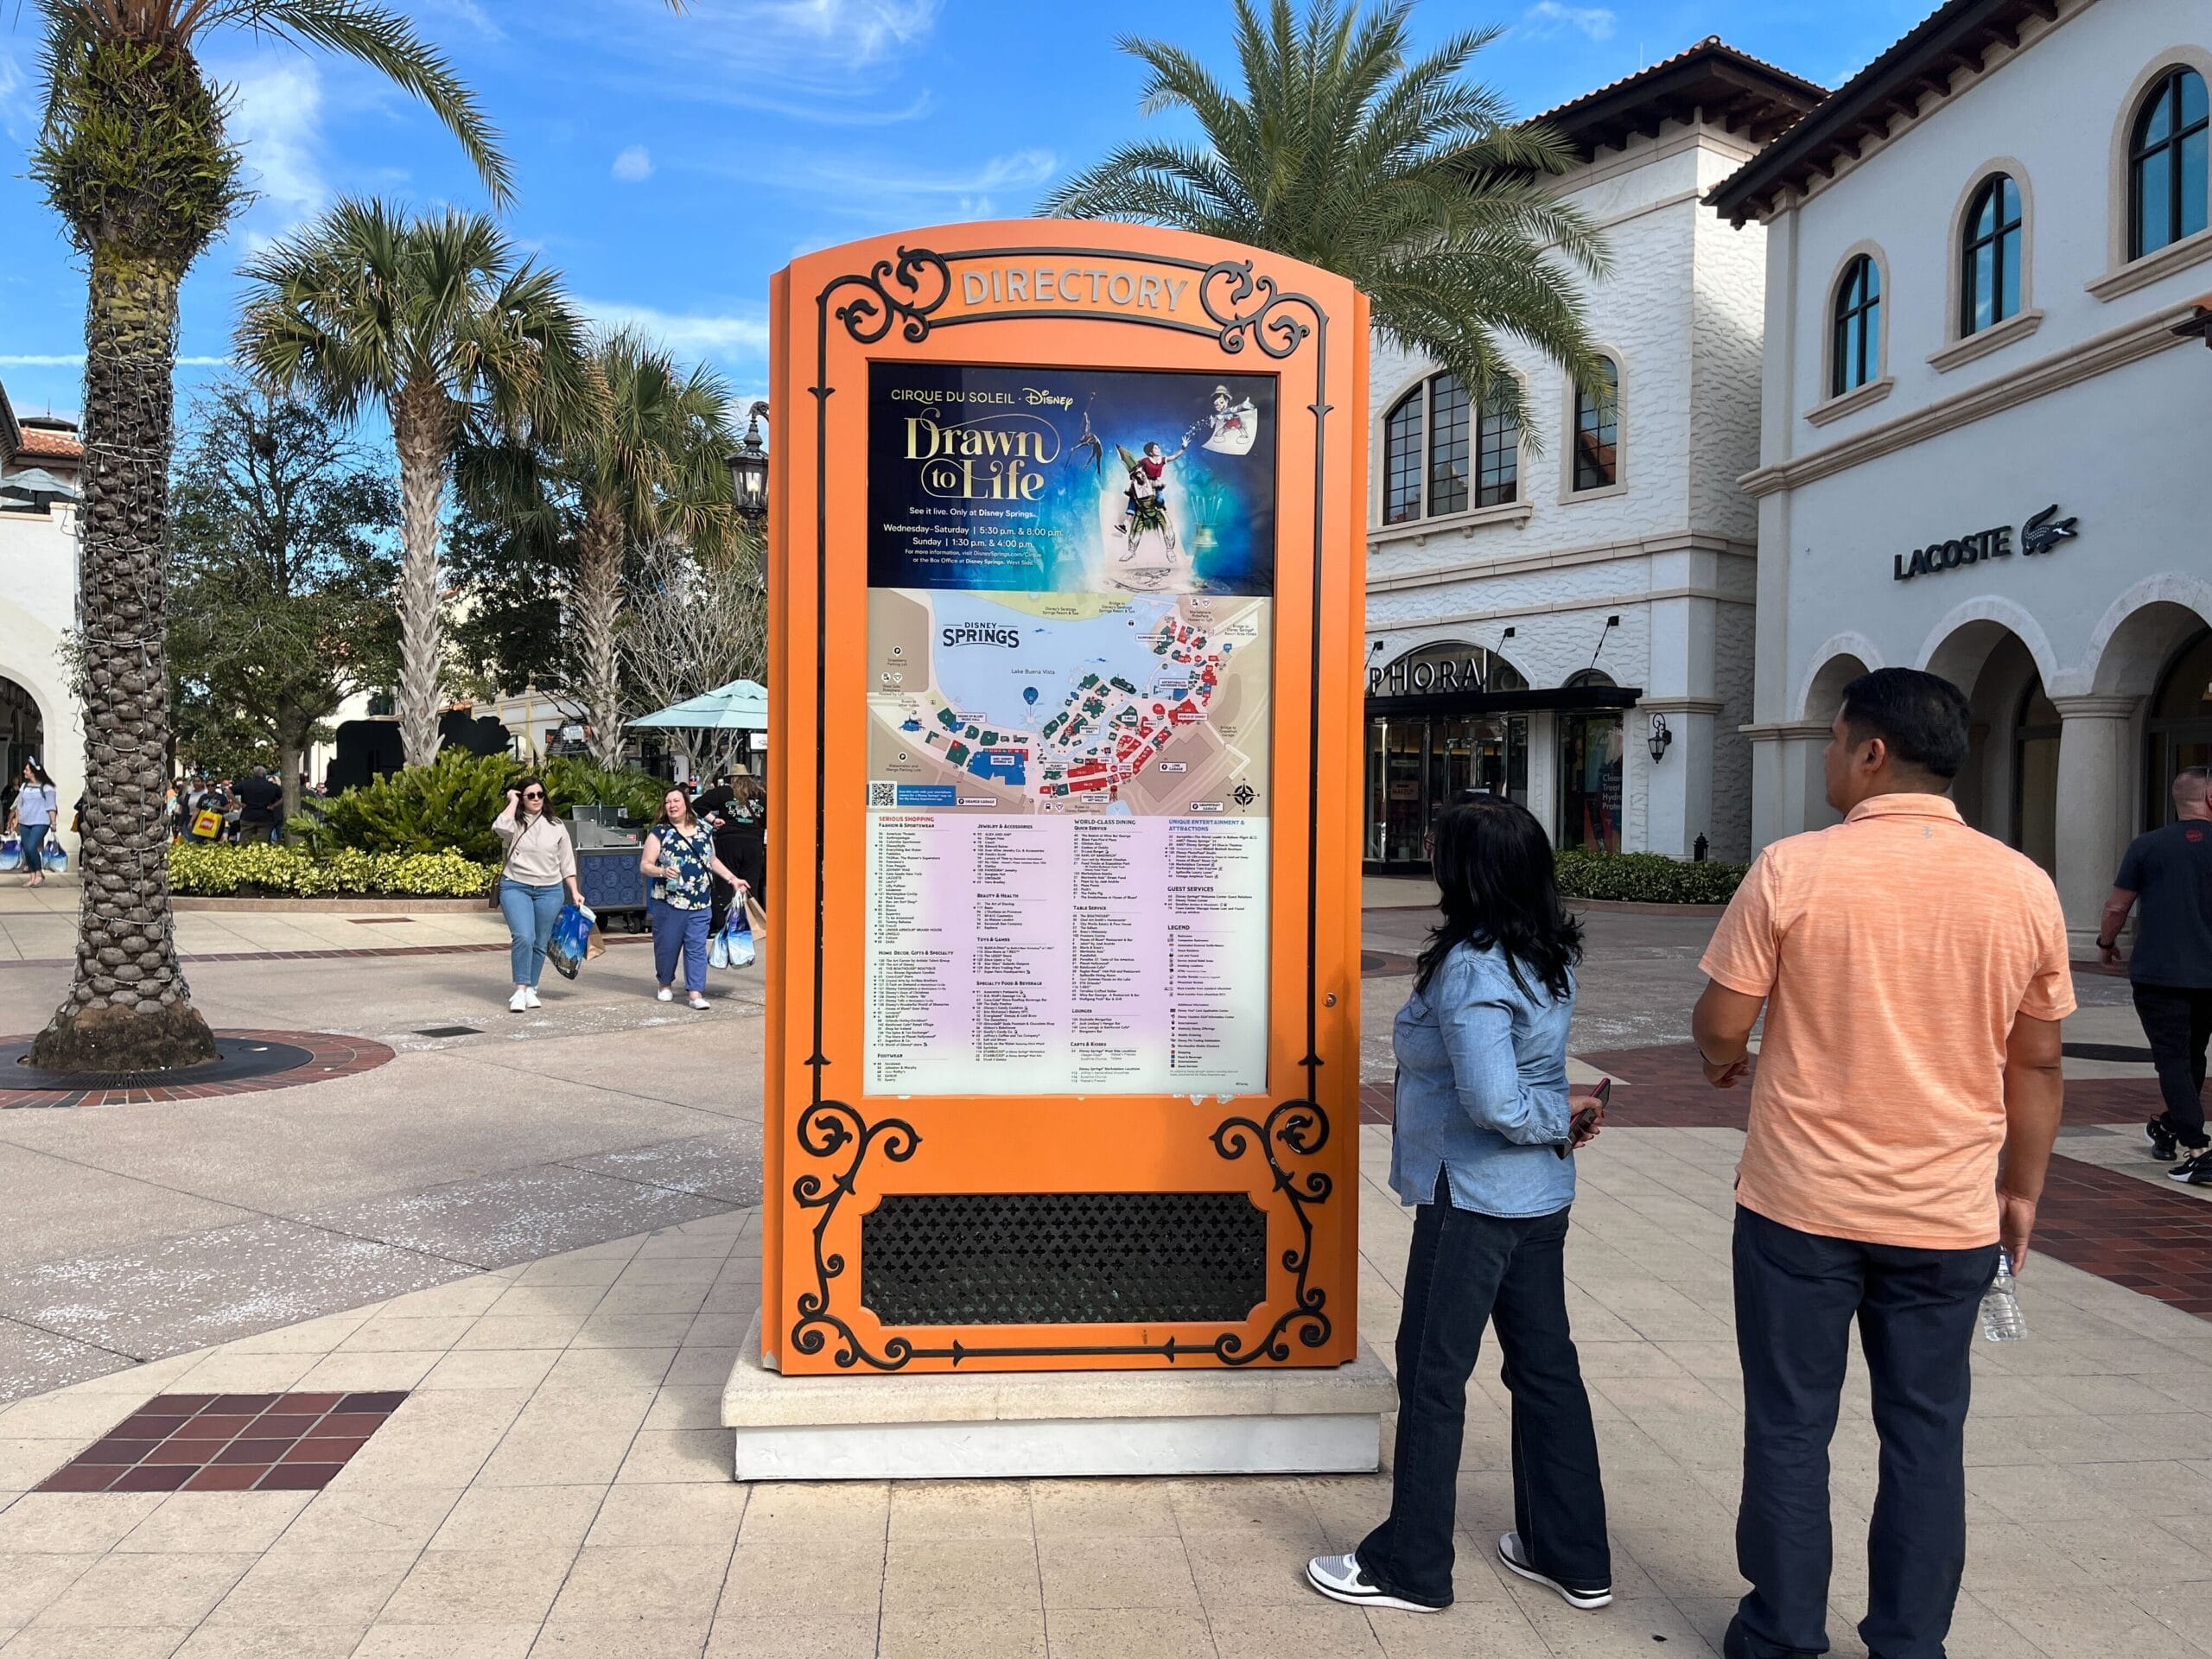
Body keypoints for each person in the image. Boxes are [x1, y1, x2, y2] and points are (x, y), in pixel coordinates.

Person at [1690, 667, 2070, 1659]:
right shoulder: (2023, 885)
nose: (1824, 756)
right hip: (1946, 1217)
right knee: (1924, 1436)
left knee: (1788, 1428)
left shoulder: (1792, 869)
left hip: (1798, 1204)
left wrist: (1726, 1062)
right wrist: (2020, 1192)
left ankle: (1778, 1633)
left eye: (1831, 739)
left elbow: (1722, 1022)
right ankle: (1909, 1643)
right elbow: (2036, 1059)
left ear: (1871, 752)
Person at [1307, 795, 1611, 1618]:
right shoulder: (1547, 952)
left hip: (1471, 1202)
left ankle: (1410, 1568)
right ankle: (1571, 1554)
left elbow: (1494, 1102)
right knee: (1548, 1373)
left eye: (1440, 848)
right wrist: (1564, 1121)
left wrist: (1556, 1121)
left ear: (1468, 869)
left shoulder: (1475, 965)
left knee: (1435, 1378)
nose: (1430, 857)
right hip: (1539, 1202)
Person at [2098, 766, 2212, 1179]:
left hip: (2159, 972)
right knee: (2191, 1054)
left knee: (2175, 1058)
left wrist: (2106, 944)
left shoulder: (2147, 846)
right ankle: (2174, 1130)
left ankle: (2193, 1143)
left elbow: (2116, 907)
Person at [641, 785, 748, 1010]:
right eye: (668, 802)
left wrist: (732, 879)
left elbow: (712, 860)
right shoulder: (659, 832)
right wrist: (662, 872)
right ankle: (665, 984)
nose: (672, 805)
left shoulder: (703, 830)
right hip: (669, 902)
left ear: (686, 804)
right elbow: (646, 865)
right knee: (667, 947)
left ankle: (695, 992)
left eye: (677, 801)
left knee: (696, 948)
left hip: (700, 901)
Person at [493, 779, 583, 1014]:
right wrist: (512, 801)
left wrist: (574, 891)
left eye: (540, 794)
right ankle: (520, 990)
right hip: (516, 886)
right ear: (522, 799)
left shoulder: (556, 824)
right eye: (529, 795)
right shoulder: (515, 821)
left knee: (540, 941)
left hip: (550, 889)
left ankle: (532, 987)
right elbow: (500, 827)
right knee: (523, 936)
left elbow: (567, 861)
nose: (536, 799)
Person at [704, 774, 766, 935]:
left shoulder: (724, 792)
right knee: (750, 884)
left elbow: (698, 805)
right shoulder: (761, 795)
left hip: (728, 841)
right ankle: (750, 922)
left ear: (732, 779)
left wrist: (713, 820)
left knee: (725, 883)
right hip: (753, 843)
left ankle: (722, 923)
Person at [9, 760, 59, 887]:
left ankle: (39, 873)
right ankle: (32, 876)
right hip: (25, 822)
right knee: (27, 849)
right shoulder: (24, 787)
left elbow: (51, 806)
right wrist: (16, 820)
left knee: (31, 847)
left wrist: (53, 823)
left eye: (27, 770)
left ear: (34, 772)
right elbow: (20, 805)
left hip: (40, 821)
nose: (24, 772)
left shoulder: (47, 787)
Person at [235, 764, 283, 843]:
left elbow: (228, 791)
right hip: (265, 817)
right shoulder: (271, 786)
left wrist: (240, 804)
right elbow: (284, 797)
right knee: (262, 844)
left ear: (254, 774)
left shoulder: (245, 784)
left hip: (248, 816)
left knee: (244, 843)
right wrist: (274, 806)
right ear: (264, 774)